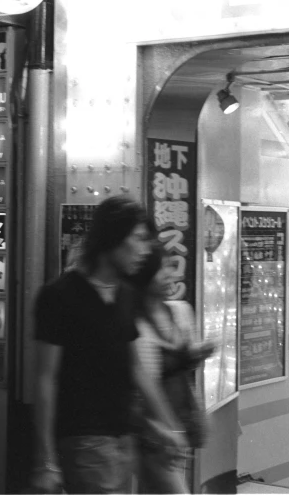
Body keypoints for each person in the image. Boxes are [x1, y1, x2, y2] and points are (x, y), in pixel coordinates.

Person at [30, 196, 188, 494]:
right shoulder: (59, 296)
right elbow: (45, 380)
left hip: (124, 437)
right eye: (139, 239)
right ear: (112, 237)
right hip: (83, 440)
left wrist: (171, 426)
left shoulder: (126, 295)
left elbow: (136, 369)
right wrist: (45, 460)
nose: (145, 251)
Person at [130, 246, 216, 494]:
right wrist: (162, 428)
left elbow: (183, 367)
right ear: (145, 276)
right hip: (153, 431)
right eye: (162, 268)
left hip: (180, 423)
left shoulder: (180, 312)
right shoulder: (134, 325)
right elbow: (142, 382)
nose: (170, 274)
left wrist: (195, 354)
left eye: (170, 266)